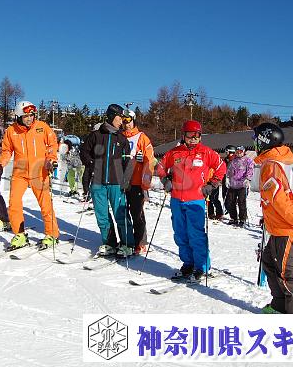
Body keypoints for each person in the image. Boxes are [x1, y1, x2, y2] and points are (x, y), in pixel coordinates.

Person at [253, 122, 293, 314]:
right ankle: (280, 305)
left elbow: (278, 201)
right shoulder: (290, 160)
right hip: (282, 225)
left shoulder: (271, 165)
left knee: (286, 272)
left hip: (287, 227)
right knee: (269, 261)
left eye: (256, 140)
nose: (254, 143)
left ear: (264, 141)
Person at [155, 120, 226, 280]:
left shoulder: (206, 152)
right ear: (183, 135)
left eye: (197, 135)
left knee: (196, 234)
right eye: (190, 135)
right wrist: (165, 180)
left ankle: (201, 267)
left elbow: (221, 167)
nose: (193, 139)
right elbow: (160, 166)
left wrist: (212, 185)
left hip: (195, 200)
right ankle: (188, 264)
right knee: (180, 234)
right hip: (177, 200)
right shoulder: (174, 153)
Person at [0, 100, 60, 249]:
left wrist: (51, 159)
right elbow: (7, 150)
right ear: (18, 116)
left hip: (39, 171)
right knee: (14, 203)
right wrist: (1, 164)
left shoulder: (42, 127)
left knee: (45, 204)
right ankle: (19, 235)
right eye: (26, 116)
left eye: (32, 115)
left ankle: (52, 234)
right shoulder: (11, 131)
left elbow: (52, 144)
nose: (30, 118)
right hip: (20, 173)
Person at [81, 104, 135, 257]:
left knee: (120, 214)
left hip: (116, 182)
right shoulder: (96, 135)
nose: (122, 121)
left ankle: (127, 244)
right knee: (102, 216)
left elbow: (127, 162)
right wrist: (91, 164)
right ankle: (109, 243)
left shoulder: (122, 139)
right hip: (98, 182)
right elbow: (84, 152)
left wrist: (126, 181)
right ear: (111, 117)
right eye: (120, 118)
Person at [121, 108, 155, 254]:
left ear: (134, 121)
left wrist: (145, 183)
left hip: (136, 182)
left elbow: (150, 160)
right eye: (124, 121)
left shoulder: (142, 137)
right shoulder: (120, 136)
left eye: (129, 121)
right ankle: (127, 241)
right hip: (122, 181)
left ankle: (140, 242)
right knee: (122, 213)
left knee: (137, 213)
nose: (126, 124)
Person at [225, 145, 254, 226]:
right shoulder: (234, 160)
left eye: (240, 152)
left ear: (243, 152)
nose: (238, 153)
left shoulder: (248, 160)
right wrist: (227, 178)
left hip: (242, 184)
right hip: (233, 184)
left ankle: (242, 219)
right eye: (237, 152)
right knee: (231, 201)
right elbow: (229, 170)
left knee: (241, 202)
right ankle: (233, 218)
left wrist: (248, 179)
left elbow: (250, 169)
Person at [221, 145, 236, 215]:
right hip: (225, 180)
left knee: (231, 198)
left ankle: (233, 212)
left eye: (227, 151)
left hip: (232, 181)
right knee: (224, 195)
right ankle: (227, 208)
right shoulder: (226, 159)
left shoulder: (235, 160)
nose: (226, 153)